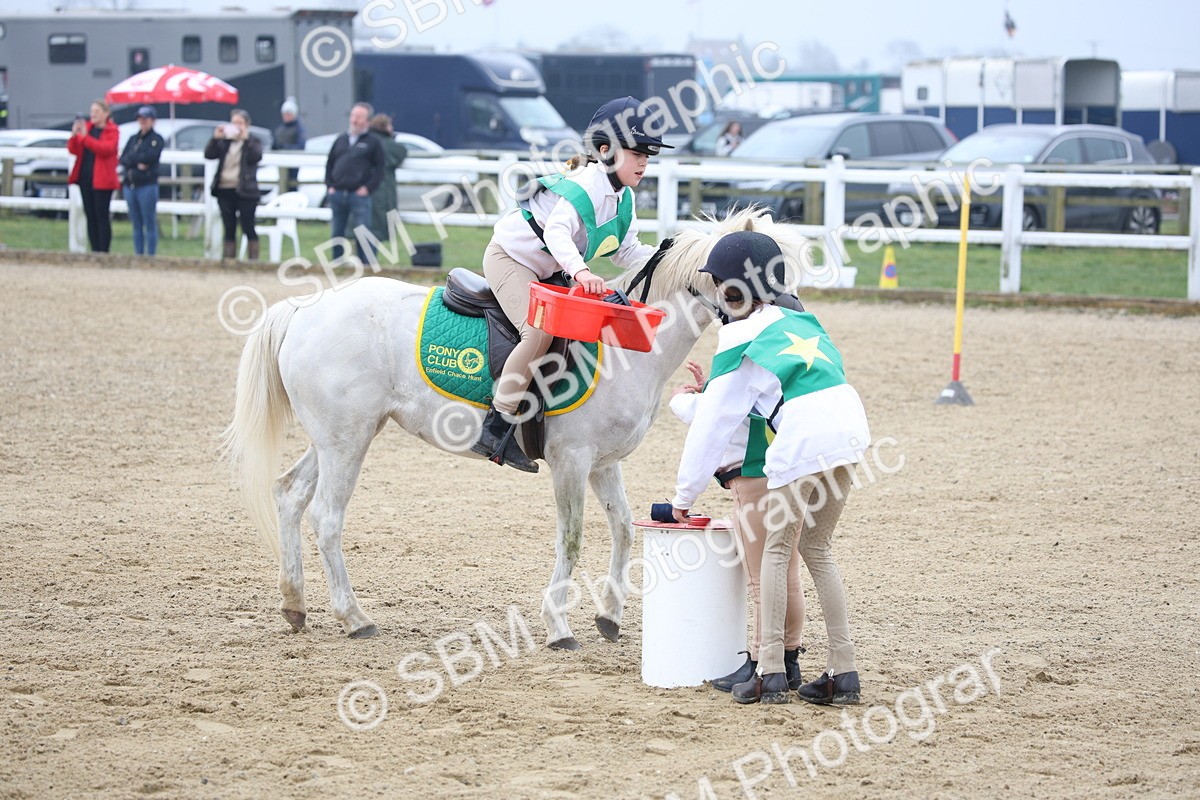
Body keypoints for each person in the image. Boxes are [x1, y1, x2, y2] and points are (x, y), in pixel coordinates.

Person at [669, 230, 870, 706]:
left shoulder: (738, 337)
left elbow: (711, 429)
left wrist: (683, 498)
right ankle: (845, 673)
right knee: (817, 550)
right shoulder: (800, 319)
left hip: (803, 442)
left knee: (777, 553)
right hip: (849, 431)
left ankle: (770, 673)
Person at [469, 96, 674, 473]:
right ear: (605, 150)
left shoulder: (622, 197)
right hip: (510, 259)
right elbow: (557, 232)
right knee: (537, 332)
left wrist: (668, 258)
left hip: (548, 267)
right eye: (637, 152)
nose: (645, 161)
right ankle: (496, 426)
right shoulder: (587, 183)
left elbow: (627, 252)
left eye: (649, 153)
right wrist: (581, 273)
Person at [670, 359, 806, 694]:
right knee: (788, 576)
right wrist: (713, 388)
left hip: (753, 480)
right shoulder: (778, 368)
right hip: (792, 474)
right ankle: (789, 661)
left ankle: (762, 661)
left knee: (761, 581)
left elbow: (702, 415)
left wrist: (680, 397)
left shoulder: (739, 363)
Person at [325, 102, 385, 262]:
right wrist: (330, 186)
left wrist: (368, 188)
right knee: (336, 231)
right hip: (338, 192)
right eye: (353, 116)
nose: (355, 120)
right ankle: (337, 263)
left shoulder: (373, 142)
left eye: (359, 117)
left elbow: (380, 169)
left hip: (359, 195)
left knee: (362, 231)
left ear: (367, 121)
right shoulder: (341, 139)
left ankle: (367, 266)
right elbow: (330, 163)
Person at [204, 109, 263, 260]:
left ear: (247, 125)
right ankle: (229, 261)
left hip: (246, 190)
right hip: (225, 188)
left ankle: (253, 261)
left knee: (247, 226)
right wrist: (215, 139)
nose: (237, 126)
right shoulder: (225, 141)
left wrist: (246, 139)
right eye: (234, 122)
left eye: (240, 123)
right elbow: (209, 154)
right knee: (228, 226)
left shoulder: (253, 142)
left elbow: (256, 157)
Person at [67, 99, 119, 253]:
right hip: (86, 178)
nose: (93, 115)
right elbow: (74, 150)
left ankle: (104, 250)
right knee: (90, 215)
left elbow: (105, 149)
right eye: (92, 112)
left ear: (106, 114)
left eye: (97, 112)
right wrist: (74, 135)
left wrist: (84, 138)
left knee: (101, 216)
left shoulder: (112, 131)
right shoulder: (87, 129)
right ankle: (95, 249)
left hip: (103, 180)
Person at [119, 105, 165, 256]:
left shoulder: (156, 139)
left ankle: (150, 255)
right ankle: (138, 254)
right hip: (130, 184)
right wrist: (137, 161)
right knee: (136, 223)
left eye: (146, 118)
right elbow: (124, 159)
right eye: (141, 119)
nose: (143, 121)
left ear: (153, 120)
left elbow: (150, 157)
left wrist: (135, 159)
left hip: (147, 185)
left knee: (149, 221)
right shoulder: (133, 139)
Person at [365, 113, 407, 249]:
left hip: (365, 189)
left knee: (364, 228)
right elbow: (401, 151)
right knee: (375, 229)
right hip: (380, 191)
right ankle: (369, 262)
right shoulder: (385, 144)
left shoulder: (366, 140)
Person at [273, 97, 306, 192]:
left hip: (293, 164)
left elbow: (301, 146)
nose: (286, 116)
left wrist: (285, 148)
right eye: (284, 114)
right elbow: (275, 144)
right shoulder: (280, 129)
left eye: (288, 114)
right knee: (282, 185)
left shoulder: (298, 129)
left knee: (292, 185)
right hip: (281, 164)